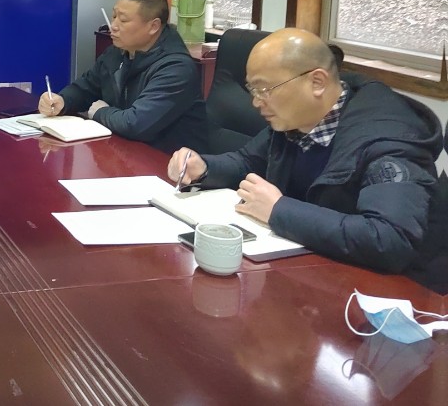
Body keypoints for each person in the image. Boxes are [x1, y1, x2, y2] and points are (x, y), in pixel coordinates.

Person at [167, 28, 445, 284]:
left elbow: (389, 239)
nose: (255, 102)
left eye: (265, 90)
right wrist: (204, 168)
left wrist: (279, 210)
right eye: (253, 90)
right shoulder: (296, 119)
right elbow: (249, 162)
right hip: (309, 268)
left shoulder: (387, 141)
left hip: (391, 292)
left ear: (317, 82)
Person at [38, 0, 208, 153]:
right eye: (114, 16)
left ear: (153, 26)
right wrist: (63, 101)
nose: (113, 25)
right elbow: (87, 87)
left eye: (123, 20)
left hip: (167, 161)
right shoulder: (118, 51)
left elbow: (135, 124)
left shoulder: (176, 68)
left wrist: (100, 112)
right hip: (123, 151)